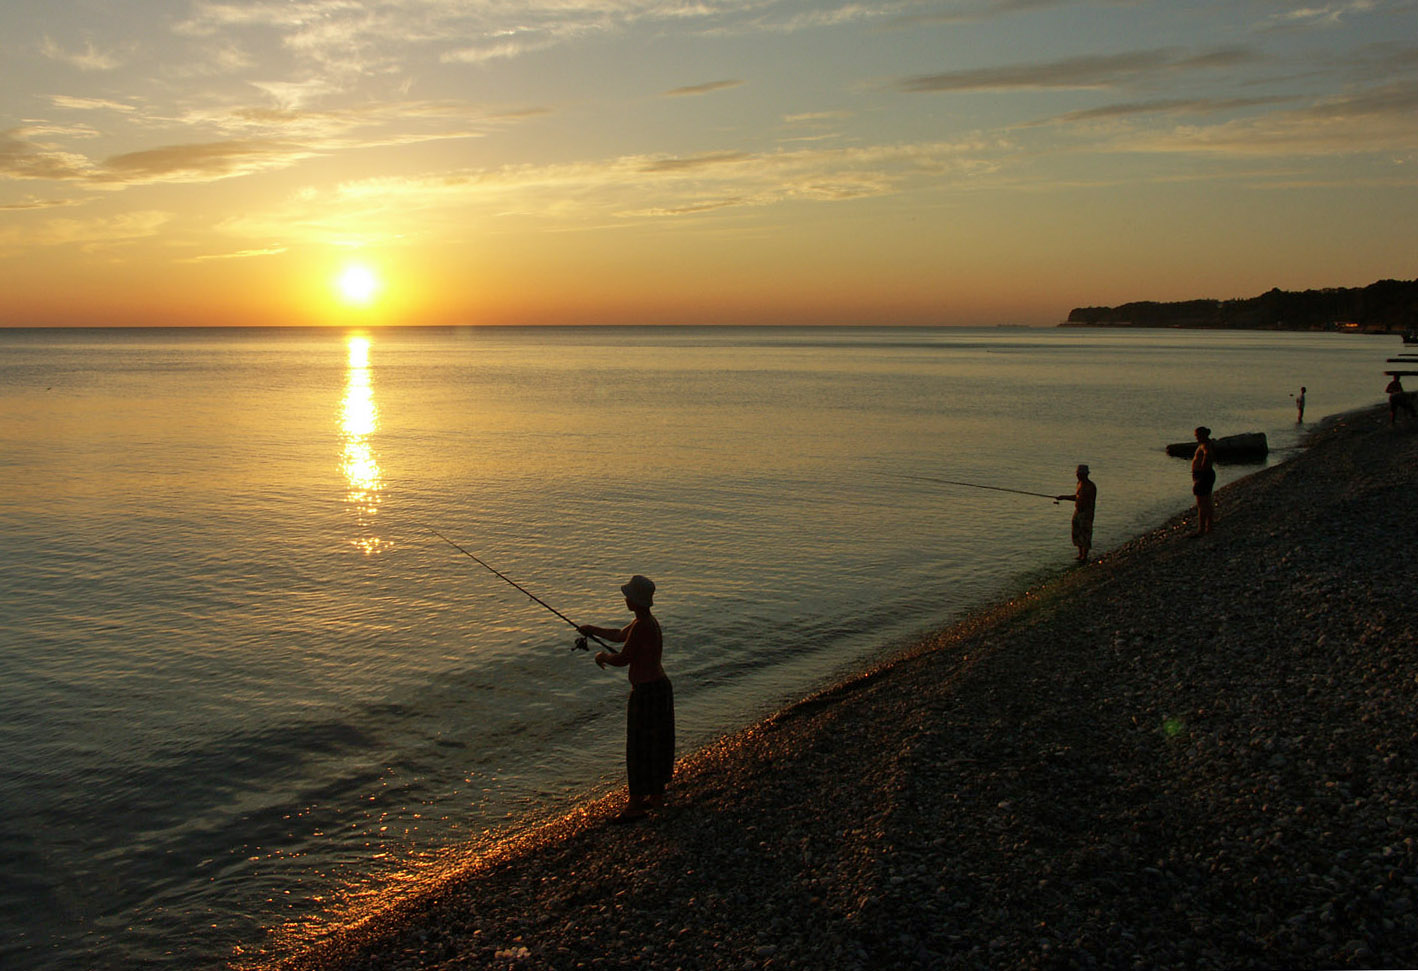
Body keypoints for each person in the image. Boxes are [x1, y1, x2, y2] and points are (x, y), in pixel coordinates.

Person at [579, 575, 674, 823]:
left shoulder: (642, 626)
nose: (625, 598)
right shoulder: (645, 622)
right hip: (659, 688)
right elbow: (619, 635)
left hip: (647, 693)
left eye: (628, 595)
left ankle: (635, 804)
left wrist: (602, 657)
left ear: (634, 600)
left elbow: (623, 658)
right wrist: (591, 630)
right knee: (656, 742)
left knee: (639, 746)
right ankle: (656, 794)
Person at [1056, 464, 1097, 563]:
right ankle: (1080, 554)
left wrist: (1066, 497)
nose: (1077, 475)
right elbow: (1077, 497)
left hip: (1086, 513)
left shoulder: (1090, 486)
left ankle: (1084, 556)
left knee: (1085, 533)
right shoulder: (1079, 483)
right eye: (1077, 474)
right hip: (1078, 511)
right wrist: (1064, 497)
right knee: (1076, 533)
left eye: (1079, 474)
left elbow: (1083, 499)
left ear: (1085, 474)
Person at [1190, 426, 1216, 536]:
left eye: (1197, 435)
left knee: (1202, 503)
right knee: (1206, 502)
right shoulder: (1204, 444)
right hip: (1203, 475)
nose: (1196, 438)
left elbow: (1207, 454)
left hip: (1203, 476)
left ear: (1203, 435)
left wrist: (1203, 467)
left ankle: (1204, 528)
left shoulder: (1205, 445)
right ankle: (1207, 527)